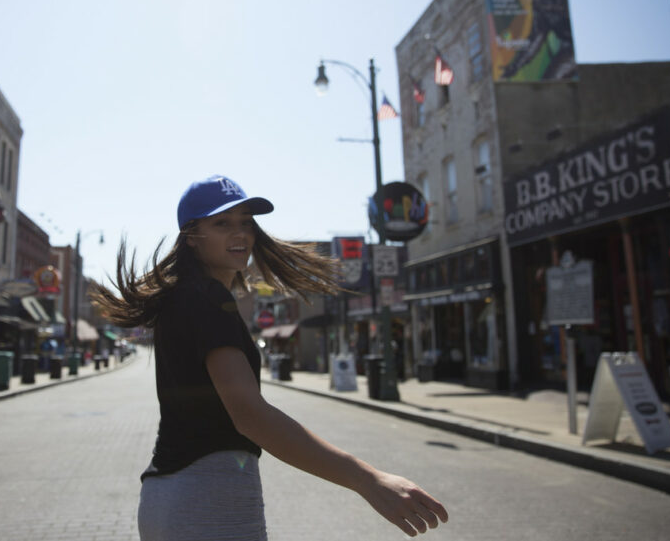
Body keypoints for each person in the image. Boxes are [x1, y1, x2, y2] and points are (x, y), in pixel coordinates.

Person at [93, 175, 448, 540]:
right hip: (206, 504)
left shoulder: (188, 296)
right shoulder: (204, 301)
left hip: (182, 497)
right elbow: (250, 416)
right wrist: (368, 479)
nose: (240, 233)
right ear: (192, 236)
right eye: (222, 223)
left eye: (246, 221)